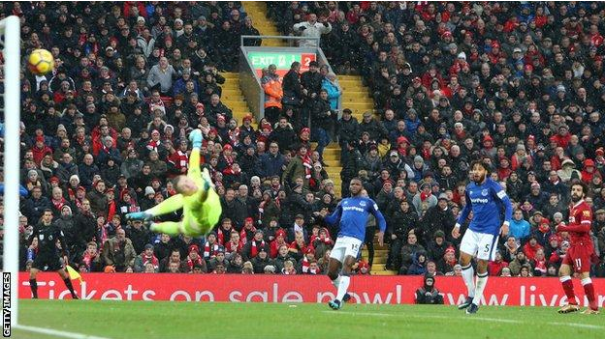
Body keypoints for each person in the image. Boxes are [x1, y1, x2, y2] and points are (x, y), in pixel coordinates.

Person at [125, 130, 221, 236]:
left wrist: (197, 142)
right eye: (185, 187)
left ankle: (154, 226)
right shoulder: (190, 200)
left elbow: (193, 160)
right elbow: (170, 204)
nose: (188, 184)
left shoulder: (193, 176)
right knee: (181, 227)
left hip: (212, 207)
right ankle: (156, 226)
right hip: (201, 226)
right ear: (184, 193)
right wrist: (206, 188)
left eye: (186, 181)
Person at [451, 161, 512, 314]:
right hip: (473, 228)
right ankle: (471, 294)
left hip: (490, 230)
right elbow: (468, 207)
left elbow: (508, 204)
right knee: (463, 259)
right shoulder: (470, 188)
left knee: (481, 264)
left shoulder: (493, 186)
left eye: (479, 169)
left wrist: (506, 223)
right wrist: (458, 225)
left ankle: (476, 302)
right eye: (474, 169)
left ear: (486, 171)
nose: (476, 172)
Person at [320, 178, 386, 310]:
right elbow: (333, 221)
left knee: (347, 265)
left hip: (355, 239)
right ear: (349, 186)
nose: (354, 186)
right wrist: (325, 216)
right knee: (331, 272)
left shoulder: (368, 202)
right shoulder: (343, 202)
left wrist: (382, 231)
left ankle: (338, 300)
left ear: (361, 187)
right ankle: (343, 293)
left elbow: (380, 217)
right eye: (352, 184)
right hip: (341, 238)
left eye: (357, 184)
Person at [556, 182, 599, 315]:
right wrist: (565, 225)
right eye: (573, 189)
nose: (575, 192)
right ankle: (572, 303)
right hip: (573, 245)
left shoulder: (584, 208)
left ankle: (593, 308)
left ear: (583, 194)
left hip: (582, 245)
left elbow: (585, 228)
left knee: (583, 276)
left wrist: (565, 228)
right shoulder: (572, 207)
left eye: (578, 190)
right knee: (563, 272)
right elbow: (575, 225)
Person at [28, 209, 78, 299]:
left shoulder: (56, 228)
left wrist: (65, 253)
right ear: (43, 216)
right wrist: (30, 245)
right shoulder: (37, 227)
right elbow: (30, 237)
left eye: (49, 215)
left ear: (51, 217)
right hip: (41, 255)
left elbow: (62, 241)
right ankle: (35, 296)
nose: (47, 217)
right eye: (45, 215)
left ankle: (73, 294)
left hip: (53, 255)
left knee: (63, 274)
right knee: (32, 274)